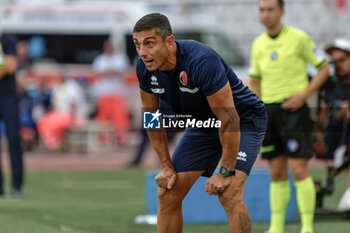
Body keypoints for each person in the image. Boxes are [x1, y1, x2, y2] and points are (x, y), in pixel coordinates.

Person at [133, 13, 267, 233]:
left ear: (169, 41)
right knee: (167, 192)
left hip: (243, 120)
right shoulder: (144, 69)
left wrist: (225, 171)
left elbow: (229, 118)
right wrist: (166, 166)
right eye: (138, 45)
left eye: (149, 43)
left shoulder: (200, 60)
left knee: (229, 191)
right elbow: (151, 118)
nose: (143, 53)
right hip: (204, 124)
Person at [249, 1, 329, 233]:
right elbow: (255, 79)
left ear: (282, 11)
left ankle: (306, 227)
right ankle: (276, 227)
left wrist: (304, 95)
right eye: (262, 10)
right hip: (268, 111)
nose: (265, 14)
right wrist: (256, 105)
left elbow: (323, 67)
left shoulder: (299, 37)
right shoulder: (258, 43)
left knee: (299, 169)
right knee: (276, 172)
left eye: (270, 9)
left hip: (294, 111)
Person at [322, 38, 350, 211]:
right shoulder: (328, 86)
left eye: (343, 60)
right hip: (330, 138)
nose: (338, 65)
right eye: (334, 61)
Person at [0, 31, 25, 198]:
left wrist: (5, 67)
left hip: (8, 97)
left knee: (14, 140)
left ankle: (17, 186)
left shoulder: (7, 39)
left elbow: (11, 65)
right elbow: (6, 66)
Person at [92, 39, 130, 145]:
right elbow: (99, 73)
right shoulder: (100, 59)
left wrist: (108, 72)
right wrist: (111, 72)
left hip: (117, 93)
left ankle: (121, 139)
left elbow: (118, 71)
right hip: (104, 93)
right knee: (103, 118)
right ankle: (103, 139)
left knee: (119, 118)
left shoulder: (120, 58)